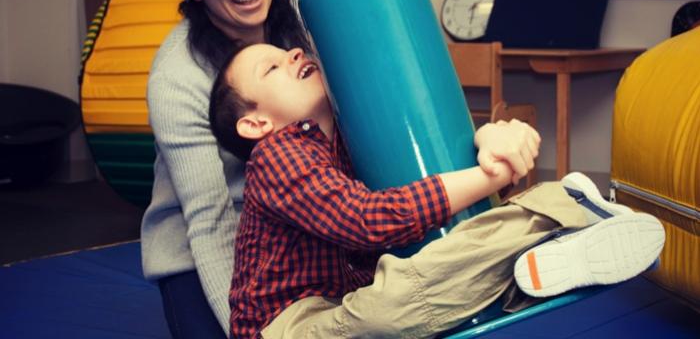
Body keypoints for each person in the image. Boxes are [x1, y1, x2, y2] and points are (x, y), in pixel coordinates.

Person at [209, 43, 666, 338]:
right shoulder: (275, 156)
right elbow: (368, 222)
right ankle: (557, 226)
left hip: (349, 298)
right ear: (255, 124)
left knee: (426, 270)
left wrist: (485, 137)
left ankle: (568, 211)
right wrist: (493, 173)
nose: (292, 54)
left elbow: (423, 167)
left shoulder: (352, 134)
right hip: (285, 325)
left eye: (289, 51)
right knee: (390, 309)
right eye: (272, 67)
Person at [140, 0, 312, 338]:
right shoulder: (177, 77)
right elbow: (209, 219)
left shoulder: (310, 16)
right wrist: (243, 328)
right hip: (210, 239)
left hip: (310, 220)